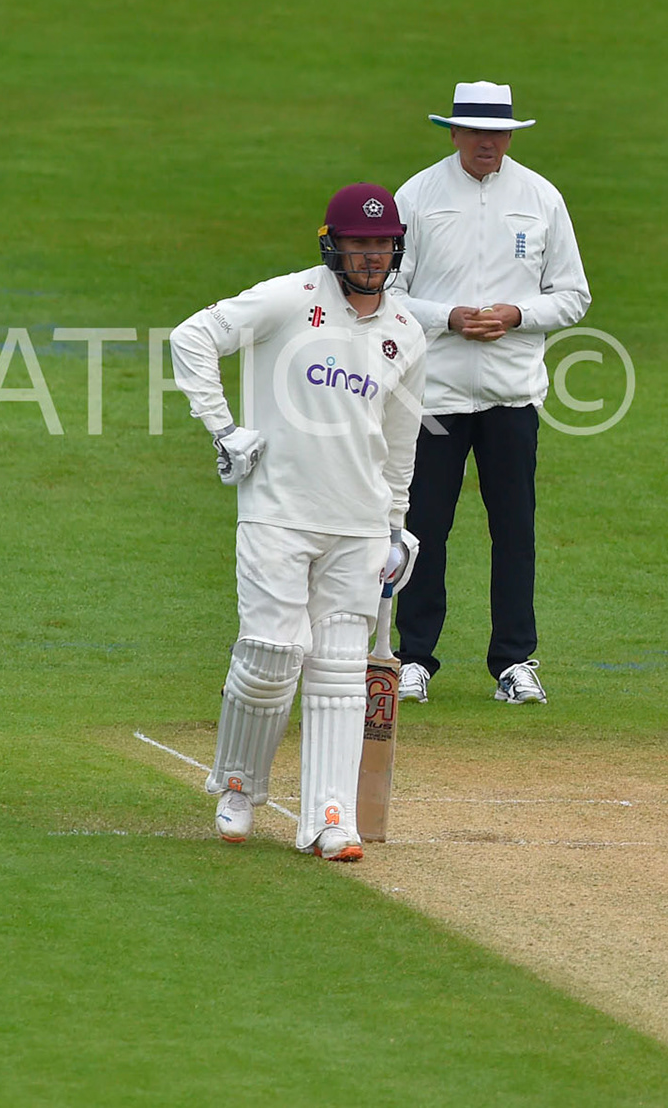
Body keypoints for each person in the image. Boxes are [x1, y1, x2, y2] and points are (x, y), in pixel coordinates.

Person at [169, 183, 427, 859]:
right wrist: (223, 429)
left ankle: (328, 817)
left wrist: (397, 525)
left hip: (359, 523)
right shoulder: (289, 299)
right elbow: (192, 336)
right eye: (359, 243)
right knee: (270, 654)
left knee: (341, 671)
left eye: (382, 244)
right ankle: (237, 784)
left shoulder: (406, 332)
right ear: (333, 245)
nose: (371, 256)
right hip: (278, 513)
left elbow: (399, 441)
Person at [388, 81, 591, 706]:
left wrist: (514, 315)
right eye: (474, 132)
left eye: (497, 132)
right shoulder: (418, 195)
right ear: (453, 133)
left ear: (510, 135)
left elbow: (573, 296)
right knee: (423, 528)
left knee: (514, 529)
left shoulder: (541, 198)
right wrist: (449, 317)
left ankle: (513, 662)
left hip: (512, 395)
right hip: (436, 396)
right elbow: (386, 294)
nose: (486, 142)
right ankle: (413, 659)